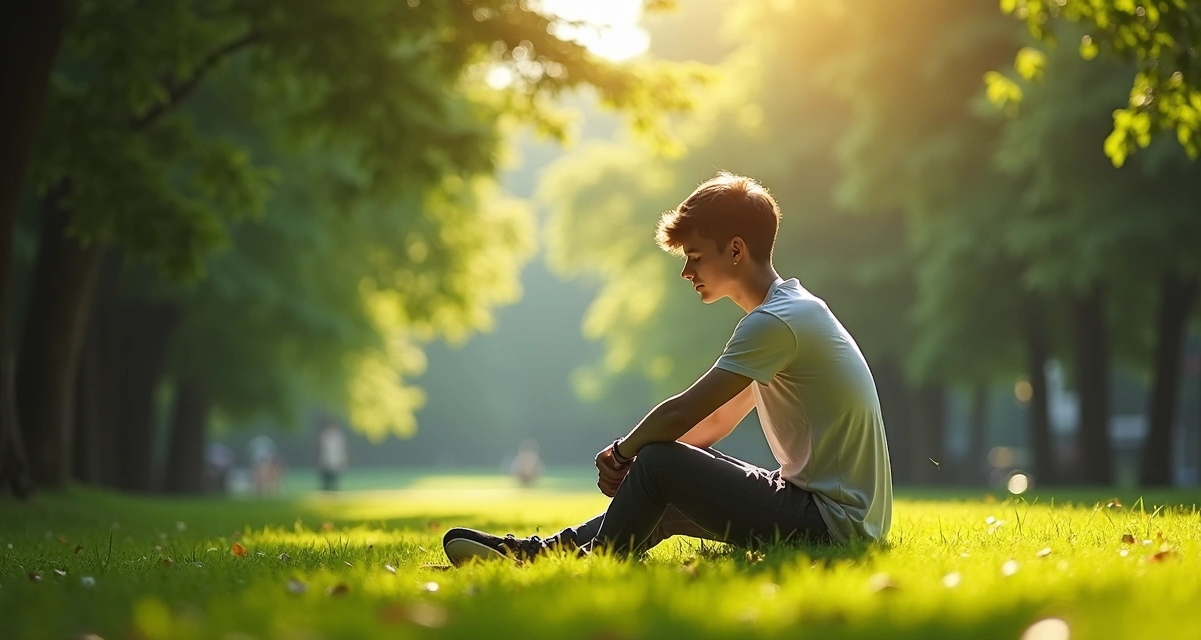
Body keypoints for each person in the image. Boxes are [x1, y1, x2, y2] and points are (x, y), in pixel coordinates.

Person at [443, 172, 892, 564]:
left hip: (831, 524)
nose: (686, 272)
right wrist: (641, 469)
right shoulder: (789, 312)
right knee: (663, 476)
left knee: (659, 462)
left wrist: (624, 454)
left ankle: (589, 562)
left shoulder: (776, 322)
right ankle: (546, 553)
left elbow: (682, 415)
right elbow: (716, 420)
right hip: (830, 512)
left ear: (736, 250)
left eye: (695, 256)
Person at [318, 422, 348, 492]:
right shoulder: (324, 436)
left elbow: (341, 449)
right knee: (326, 477)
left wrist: (342, 459)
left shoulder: (338, 437)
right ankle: (326, 489)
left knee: (334, 477)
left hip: (335, 460)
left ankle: (333, 489)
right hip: (326, 460)